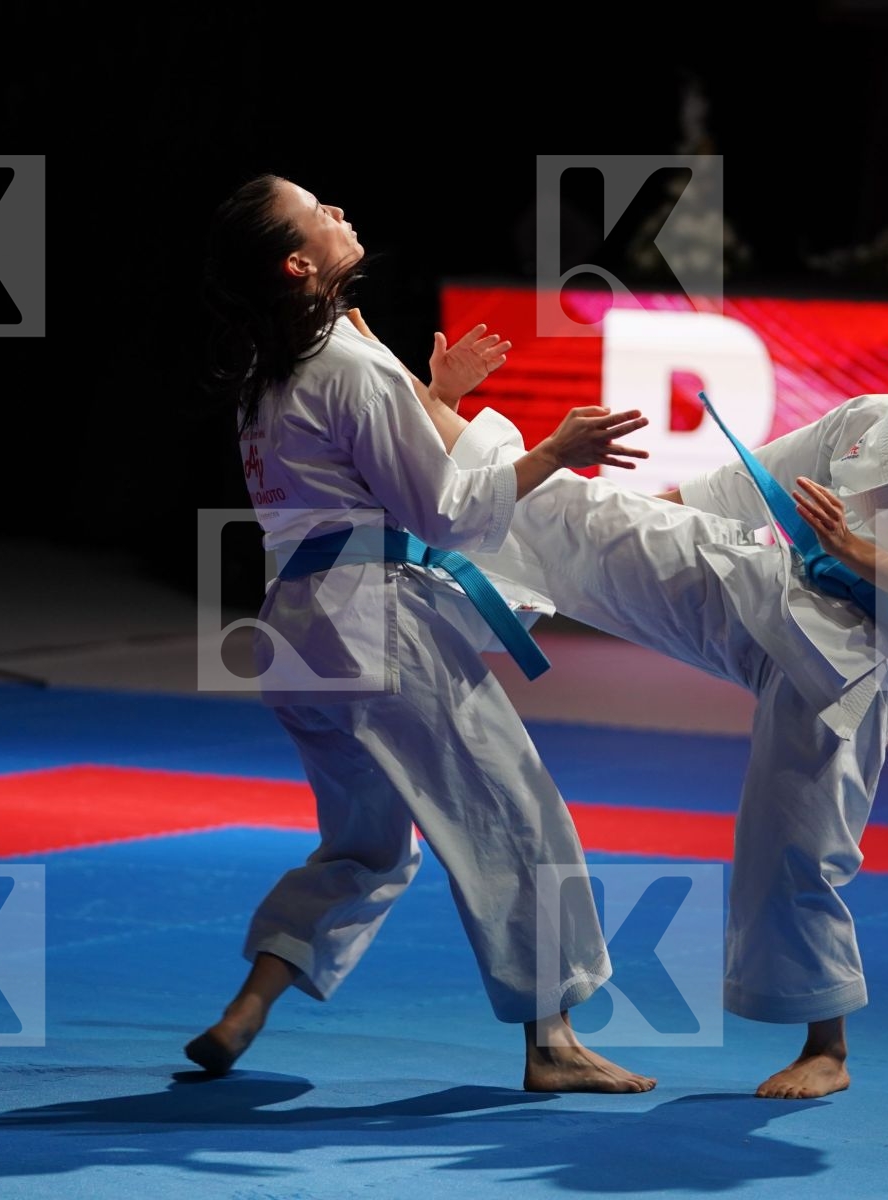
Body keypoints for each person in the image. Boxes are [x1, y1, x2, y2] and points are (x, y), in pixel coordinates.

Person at [395, 273, 888, 1099]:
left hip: (853, 653)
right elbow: (727, 492)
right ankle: (440, 423)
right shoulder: (864, 421)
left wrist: (852, 552)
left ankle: (828, 1049)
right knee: (599, 520)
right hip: (767, 592)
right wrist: (633, 513)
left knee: (794, 841)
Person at [188, 173, 658, 1093]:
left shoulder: (268, 372)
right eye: (318, 212)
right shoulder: (350, 366)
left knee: (368, 842)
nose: (340, 211)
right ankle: (552, 1043)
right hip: (375, 625)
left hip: (292, 629)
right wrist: (551, 453)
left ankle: (251, 1003)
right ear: (298, 262)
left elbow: (353, 480)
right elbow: (443, 511)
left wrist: (429, 394)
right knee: (517, 816)